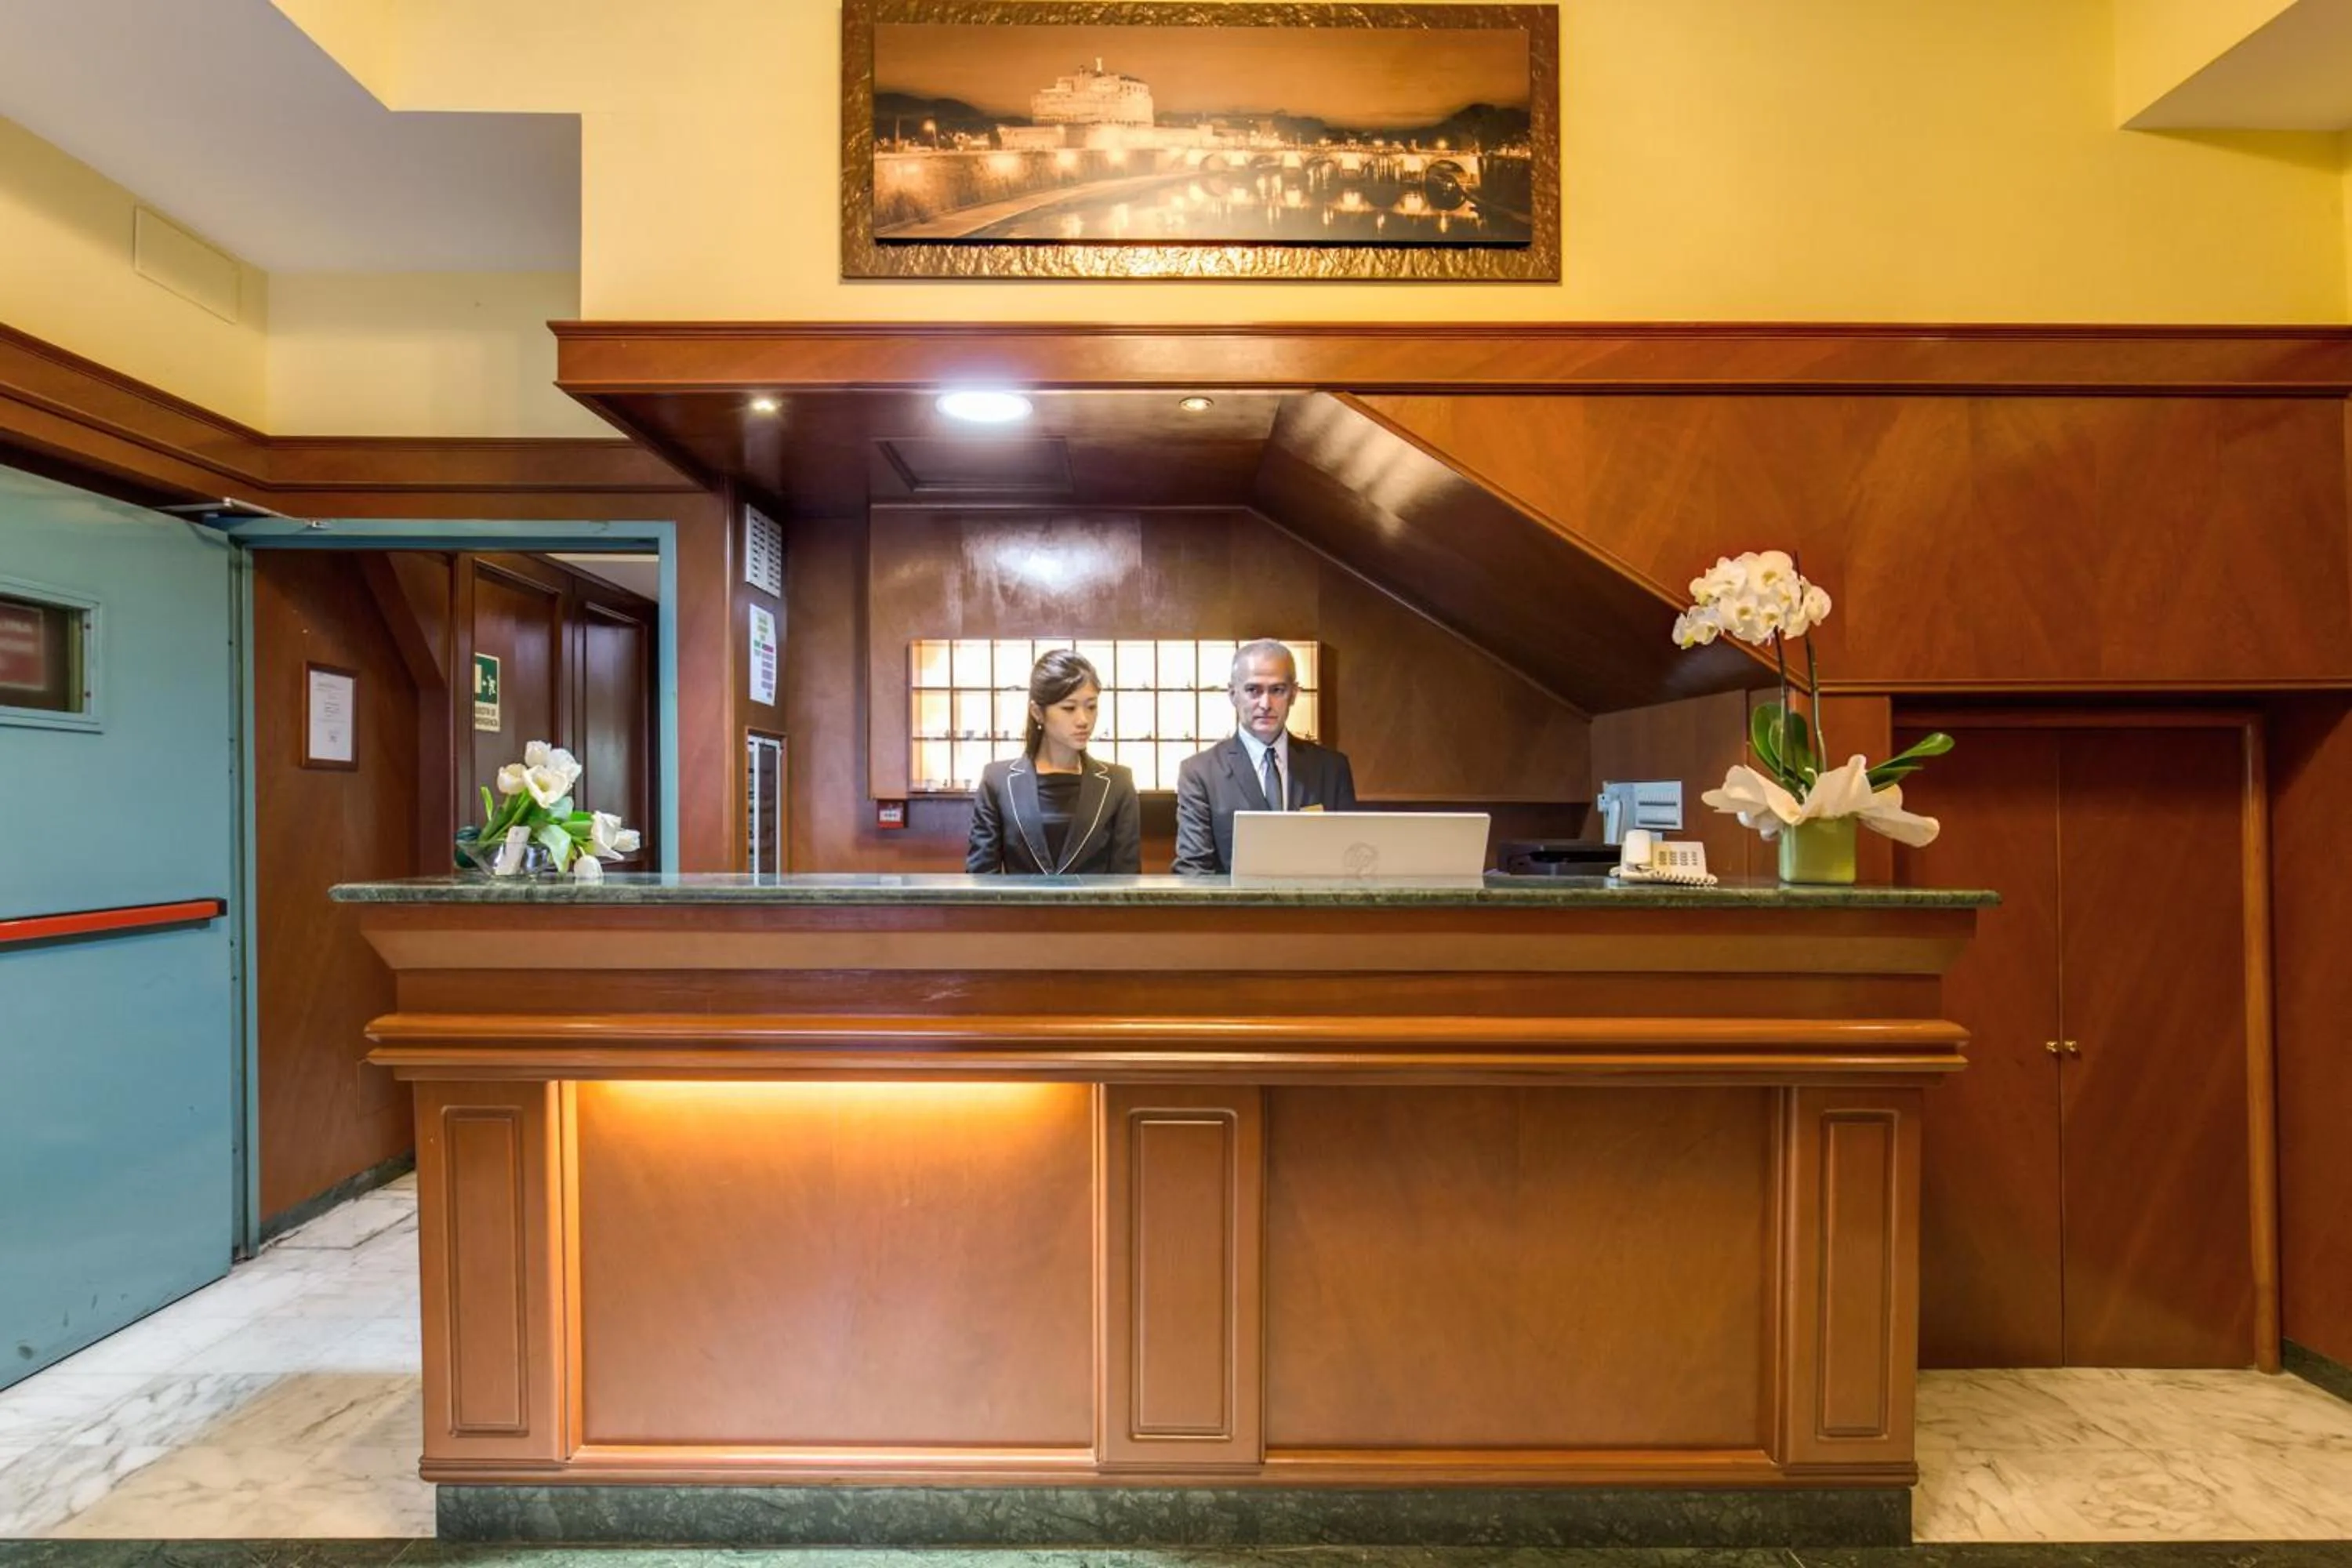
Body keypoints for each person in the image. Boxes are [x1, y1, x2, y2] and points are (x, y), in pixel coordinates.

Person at [1172, 638, 1357, 875]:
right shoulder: (1200, 772)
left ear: (1293, 694)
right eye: (1253, 690)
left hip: (1314, 910)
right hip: (1232, 910)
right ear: (1233, 694)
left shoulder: (1331, 768)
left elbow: (1349, 857)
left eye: (1277, 690)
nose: (1265, 703)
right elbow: (1193, 869)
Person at [967, 648, 1142, 875]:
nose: (1083, 720)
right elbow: (981, 878)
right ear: (1038, 712)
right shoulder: (997, 781)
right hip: (1021, 910)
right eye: (1069, 708)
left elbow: (1127, 879)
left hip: (1094, 911)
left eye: (1091, 706)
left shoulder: (1119, 782)